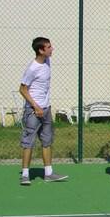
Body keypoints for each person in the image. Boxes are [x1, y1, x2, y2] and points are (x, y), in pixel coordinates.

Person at [19, 37, 68, 185]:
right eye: (48, 47)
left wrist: (44, 107)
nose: (52, 49)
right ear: (41, 50)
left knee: (47, 141)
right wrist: (36, 107)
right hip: (33, 111)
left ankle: (49, 173)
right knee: (29, 142)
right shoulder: (32, 68)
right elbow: (22, 89)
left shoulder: (47, 61)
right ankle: (25, 175)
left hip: (46, 109)